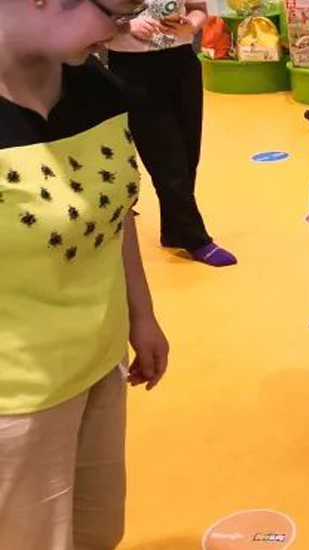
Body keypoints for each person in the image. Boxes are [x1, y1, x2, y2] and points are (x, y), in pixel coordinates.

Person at [0, 0, 170, 548]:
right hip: (17, 397)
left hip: (100, 363)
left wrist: (141, 314)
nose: (123, 32)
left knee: (97, 531)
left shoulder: (94, 86)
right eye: (116, 13)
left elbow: (115, 214)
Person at [107, 0, 237, 267]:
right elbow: (86, 22)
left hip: (182, 62)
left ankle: (174, 229)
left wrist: (192, 26)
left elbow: (198, 9)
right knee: (165, 158)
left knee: (189, 154)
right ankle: (195, 238)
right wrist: (126, 27)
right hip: (133, 67)